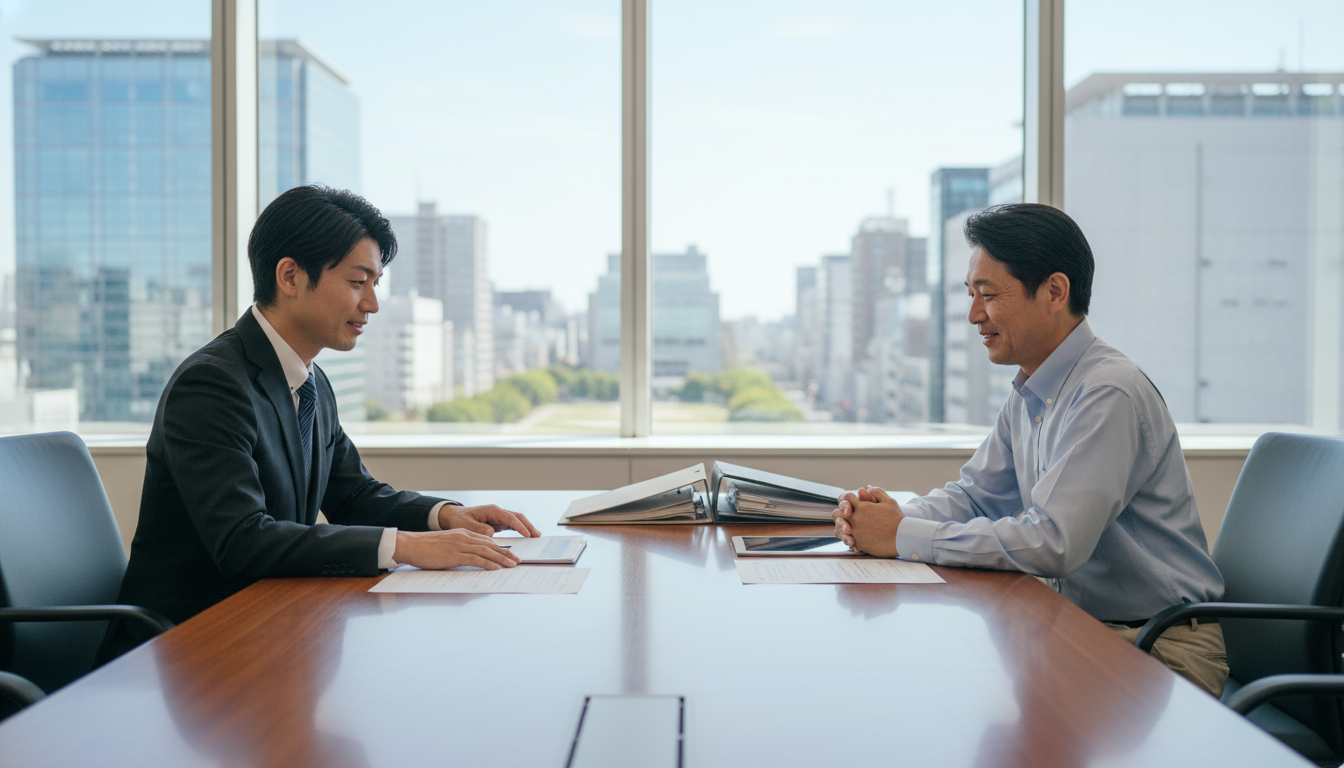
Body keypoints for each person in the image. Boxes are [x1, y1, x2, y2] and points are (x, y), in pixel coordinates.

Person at [102, 185, 539, 657]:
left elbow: (352, 494)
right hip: (188, 648)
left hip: (269, 626)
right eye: (358, 282)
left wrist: (444, 516)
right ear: (290, 276)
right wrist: (408, 546)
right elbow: (243, 540)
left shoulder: (310, 380)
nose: (371, 304)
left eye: (375, 284)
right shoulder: (211, 385)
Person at [833, 203, 1228, 697]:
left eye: (988, 295)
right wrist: (888, 516)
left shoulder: (1108, 392)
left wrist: (902, 535)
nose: (975, 315)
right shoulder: (1031, 390)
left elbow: (1053, 541)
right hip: (1083, 627)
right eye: (971, 296)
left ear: (1054, 292)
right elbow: (976, 495)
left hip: (1159, 647)